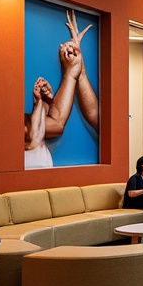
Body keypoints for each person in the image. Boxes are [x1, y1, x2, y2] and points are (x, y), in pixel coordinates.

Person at [24, 10, 100, 168]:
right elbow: (53, 125)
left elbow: (93, 114)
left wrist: (77, 70)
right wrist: (74, 72)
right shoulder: (6, 126)